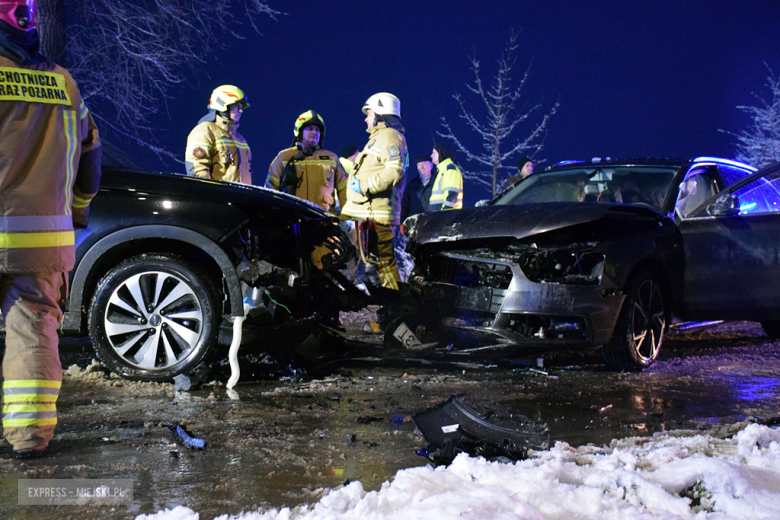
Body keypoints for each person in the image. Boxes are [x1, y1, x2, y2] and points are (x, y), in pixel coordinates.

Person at [0, 0, 102, 458]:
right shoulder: (63, 83)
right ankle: (28, 440)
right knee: (33, 336)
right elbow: (91, 157)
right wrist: (76, 212)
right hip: (41, 242)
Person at [341, 92, 408, 290]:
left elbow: (395, 171)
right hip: (366, 215)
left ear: (380, 114)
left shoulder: (390, 137)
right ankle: (388, 309)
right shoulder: (379, 138)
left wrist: (364, 186)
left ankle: (395, 309)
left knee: (383, 266)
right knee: (372, 267)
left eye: (368, 113)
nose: (365, 118)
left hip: (376, 217)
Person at [265, 110, 347, 213]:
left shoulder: (331, 158)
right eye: (309, 129)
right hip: (293, 220)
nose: (314, 132)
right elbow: (271, 189)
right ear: (299, 131)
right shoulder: (284, 157)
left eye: (317, 130)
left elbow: (345, 190)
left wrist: (345, 217)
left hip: (324, 222)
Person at [185, 85, 252, 184]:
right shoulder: (204, 131)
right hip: (217, 198)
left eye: (241, 108)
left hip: (240, 198)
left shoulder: (240, 139)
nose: (240, 111)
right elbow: (198, 170)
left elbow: (248, 174)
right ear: (223, 105)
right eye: (237, 107)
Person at [400, 155, 434, 225]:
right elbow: (405, 206)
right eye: (419, 165)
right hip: (416, 224)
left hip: (433, 223)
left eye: (424, 164)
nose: (421, 167)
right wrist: (402, 224)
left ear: (431, 166)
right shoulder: (412, 185)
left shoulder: (437, 182)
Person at [429, 143, 463, 211]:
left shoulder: (450, 169)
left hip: (444, 216)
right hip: (437, 215)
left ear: (441, 154)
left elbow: (452, 193)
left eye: (434, 153)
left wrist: (446, 214)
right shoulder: (442, 170)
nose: (431, 155)